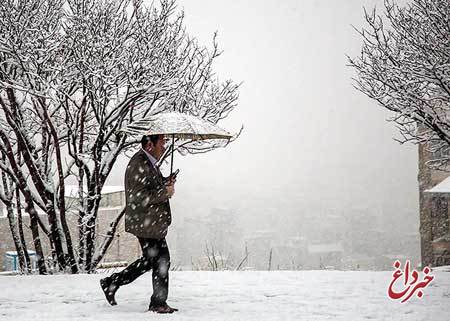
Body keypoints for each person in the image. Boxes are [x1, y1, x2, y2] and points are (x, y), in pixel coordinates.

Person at [100, 134, 178, 314]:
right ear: (150, 144)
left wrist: (166, 182)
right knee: (161, 260)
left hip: (150, 222)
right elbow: (139, 197)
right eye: (162, 142)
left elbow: (149, 187)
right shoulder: (139, 163)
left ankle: (112, 282)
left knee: (152, 260)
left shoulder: (147, 162)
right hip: (145, 222)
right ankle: (158, 303)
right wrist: (164, 192)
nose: (165, 146)